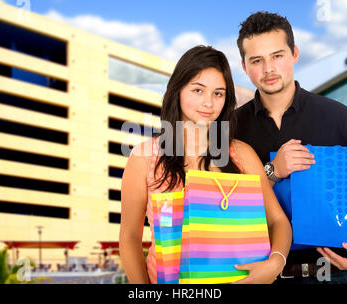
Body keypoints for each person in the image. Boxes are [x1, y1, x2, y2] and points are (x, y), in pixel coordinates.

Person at [234, 11, 347, 284]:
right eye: (257, 60)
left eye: (277, 56)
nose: (269, 68)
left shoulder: (338, 117)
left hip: (327, 276)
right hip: (252, 275)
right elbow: (222, 201)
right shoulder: (230, 128)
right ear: (244, 66)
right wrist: (272, 171)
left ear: (295, 54)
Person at [120, 45, 292, 284]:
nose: (209, 103)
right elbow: (129, 237)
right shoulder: (144, 157)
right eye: (198, 90)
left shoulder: (242, 155)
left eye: (218, 93)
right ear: (177, 90)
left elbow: (278, 221)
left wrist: (275, 263)